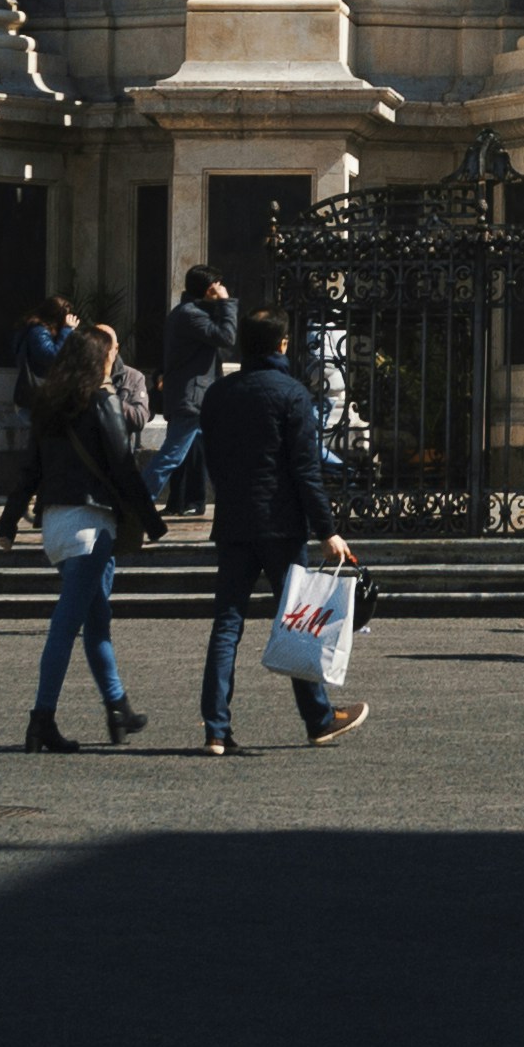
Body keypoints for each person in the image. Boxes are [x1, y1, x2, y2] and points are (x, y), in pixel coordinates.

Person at [193, 309, 365, 754]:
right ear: (282, 346)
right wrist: (327, 529)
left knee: (226, 624)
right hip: (281, 524)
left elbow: (213, 460)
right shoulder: (292, 394)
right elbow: (305, 471)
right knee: (297, 621)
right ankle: (318, 716)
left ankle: (215, 727)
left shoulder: (218, 394)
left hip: (233, 521)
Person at [21, 318, 161, 753]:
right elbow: (122, 463)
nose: (115, 355)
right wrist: (151, 521)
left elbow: (31, 468)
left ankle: (119, 707)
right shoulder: (102, 401)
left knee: (97, 619)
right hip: (92, 526)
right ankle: (41, 719)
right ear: (99, 358)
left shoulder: (50, 403)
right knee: (66, 626)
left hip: (56, 525)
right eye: (111, 351)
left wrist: (9, 521)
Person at [0, 294, 79, 544]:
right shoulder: (37, 331)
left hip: (41, 403)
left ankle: (31, 515)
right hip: (39, 403)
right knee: (39, 461)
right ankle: (17, 521)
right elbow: (51, 357)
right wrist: (67, 332)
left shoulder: (33, 329)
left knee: (39, 460)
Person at [151, 262, 234, 511]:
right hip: (192, 399)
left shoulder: (190, 312)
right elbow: (227, 337)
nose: (222, 289)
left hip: (199, 397)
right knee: (171, 456)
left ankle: (232, 506)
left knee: (217, 457)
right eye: (218, 285)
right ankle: (137, 506)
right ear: (210, 289)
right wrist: (227, 303)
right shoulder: (190, 315)